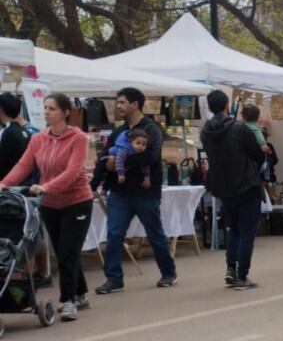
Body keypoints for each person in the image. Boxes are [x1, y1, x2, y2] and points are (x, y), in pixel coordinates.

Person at [1, 94, 93, 319]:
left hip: (77, 201)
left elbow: (73, 172)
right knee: (64, 250)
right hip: (50, 204)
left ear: (65, 112)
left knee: (67, 251)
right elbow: (23, 166)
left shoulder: (78, 138)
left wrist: (46, 186)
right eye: (45, 108)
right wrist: (3, 184)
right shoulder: (38, 139)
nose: (46, 112)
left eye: (52, 108)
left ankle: (68, 301)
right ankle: (80, 294)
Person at [93, 87, 178, 294]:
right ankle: (114, 279)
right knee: (114, 234)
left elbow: (149, 157)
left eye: (122, 102)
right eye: (117, 102)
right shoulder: (118, 132)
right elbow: (103, 159)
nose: (118, 106)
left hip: (145, 191)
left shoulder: (152, 129)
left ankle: (168, 272)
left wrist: (120, 161)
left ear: (135, 104)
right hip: (120, 192)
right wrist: (100, 175)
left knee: (154, 233)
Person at [201, 90, 266, 290]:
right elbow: (257, 154)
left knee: (233, 229)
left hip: (223, 186)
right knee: (247, 231)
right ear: (226, 104)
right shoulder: (239, 129)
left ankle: (231, 268)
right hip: (246, 183)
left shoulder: (205, 132)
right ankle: (242, 274)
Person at [0, 93, 30, 181]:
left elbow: (2, 162)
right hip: (23, 182)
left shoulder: (7, 132)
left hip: (9, 186)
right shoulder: (25, 130)